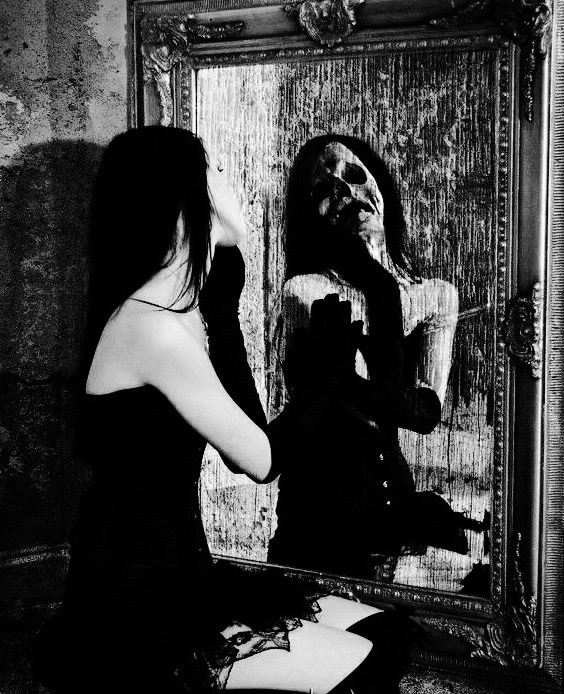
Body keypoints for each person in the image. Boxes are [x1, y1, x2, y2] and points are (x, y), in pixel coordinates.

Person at [31, 126, 414, 694]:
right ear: (184, 199)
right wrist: (324, 375)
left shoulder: (182, 310)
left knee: (390, 633)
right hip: (133, 605)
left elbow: (246, 443)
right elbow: (262, 460)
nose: (229, 183)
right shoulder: (152, 329)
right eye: (214, 171)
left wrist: (226, 308)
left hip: (181, 578)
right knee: (370, 662)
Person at [269, 134, 468, 578]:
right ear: (311, 217)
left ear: (379, 185)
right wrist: (376, 282)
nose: (344, 192)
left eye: (354, 176)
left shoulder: (437, 297)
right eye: (323, 191)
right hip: (317, 518)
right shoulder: (307, 292)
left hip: (387, 507)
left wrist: (382, 285)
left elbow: (424, 413)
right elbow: (364, 408)